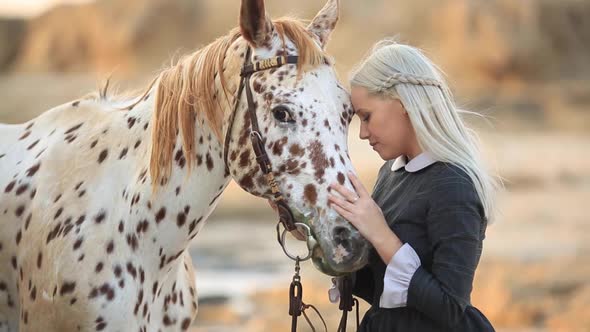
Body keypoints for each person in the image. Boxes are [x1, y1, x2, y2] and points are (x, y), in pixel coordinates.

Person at [327, 39, 500, 331]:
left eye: (366, 117)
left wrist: (382, 235)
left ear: (403, 103)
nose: (363, 133)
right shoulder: (390, 174)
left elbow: (450, 309)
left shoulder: (454, 185)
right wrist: (328, 236)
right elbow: (383, 292)